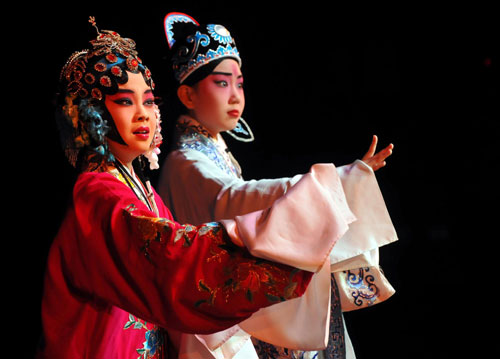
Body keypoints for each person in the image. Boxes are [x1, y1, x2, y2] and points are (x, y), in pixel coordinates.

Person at [35, 17, 339, 359]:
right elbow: (174, 257)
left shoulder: (142, 191)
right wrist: (287, 224)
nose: (143, 115)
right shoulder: (96, 194)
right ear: (93, 114)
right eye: (124, 101)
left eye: (149, 101)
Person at [158, 12, 399, 359]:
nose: (235, 95)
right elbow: (233, 200)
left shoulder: (209, 152)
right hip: (211, 317)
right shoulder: (186, 162)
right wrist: (329, 183)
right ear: (188, 94)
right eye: (222, 83)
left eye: (239, 83)